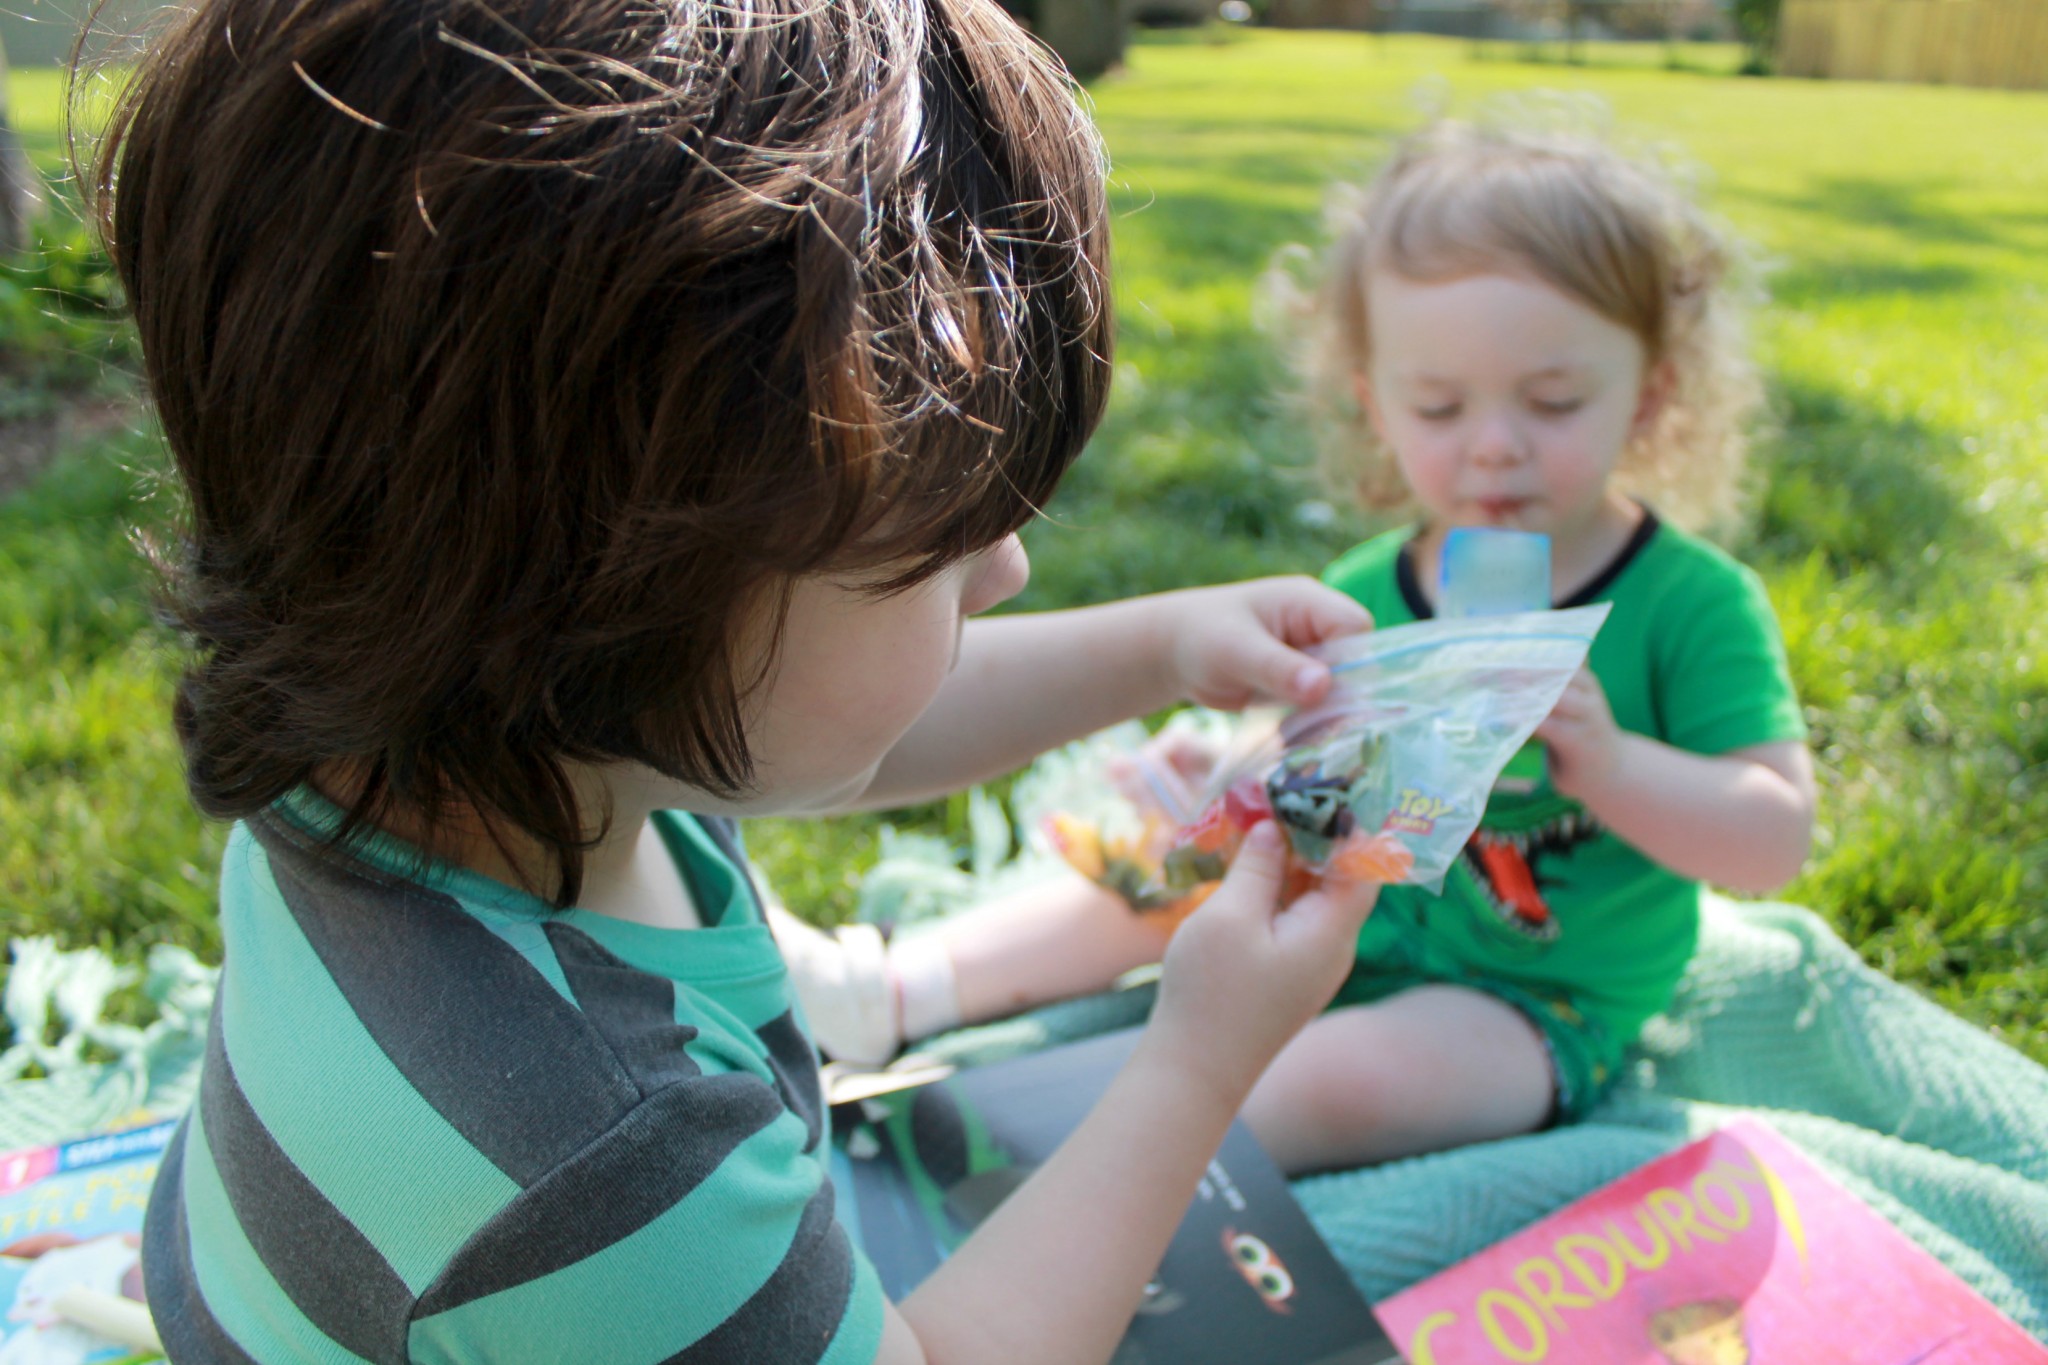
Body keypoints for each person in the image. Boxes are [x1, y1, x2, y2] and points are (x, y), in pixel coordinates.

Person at [98, 2, 1380, 1361]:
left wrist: (1165, 647)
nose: (1003, 570)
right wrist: (1194, 1063)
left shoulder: (441, 732)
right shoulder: (604, 1152)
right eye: (929, 550)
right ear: (611, 590)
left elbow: (844, 721)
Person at [1237, 117, 1816, 1173]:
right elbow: (1320, 797)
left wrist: (1605, 762)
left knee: (1334, 1085)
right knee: (1138, 888)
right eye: (1437, 405)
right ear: (1374, 404)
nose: (1494, 443)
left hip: (1532, 1000)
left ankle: (1149, 1163)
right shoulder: (1368, 591)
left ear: (1646, 396)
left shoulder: (1690, 606)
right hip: (1358, 933)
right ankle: (903, 982)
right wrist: (1256, 770)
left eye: (1550, 402)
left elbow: (1771, 841)